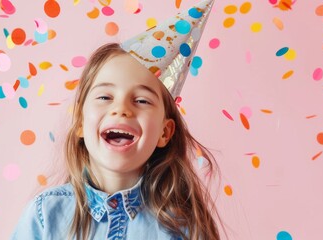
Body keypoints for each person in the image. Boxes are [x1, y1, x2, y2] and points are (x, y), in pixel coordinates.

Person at [12, 0, 222, 239]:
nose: (121, 109)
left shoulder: (183, 227)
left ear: (165, 132)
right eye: (105, 96)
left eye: (142, 100)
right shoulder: (46, 215)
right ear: (80, 121)